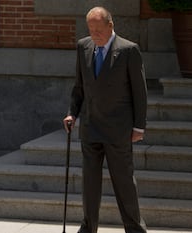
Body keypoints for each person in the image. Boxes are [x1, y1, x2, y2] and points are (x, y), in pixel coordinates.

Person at [63, 6, 148, 233]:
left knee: (124, 184)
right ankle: (88, 228)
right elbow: (79, 86)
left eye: (98, 30)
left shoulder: (129, 50)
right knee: (89, 184)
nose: (94, 34)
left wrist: (139, 126)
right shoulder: (83, 47)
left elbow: (140, 92)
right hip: (91, 127)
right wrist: (73, 112)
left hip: (118, 129)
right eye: (91, 29)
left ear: (111, 26)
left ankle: (134, 229)